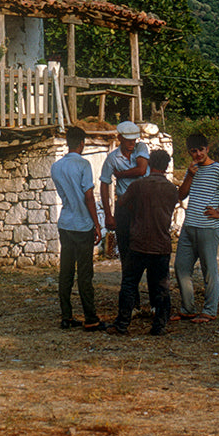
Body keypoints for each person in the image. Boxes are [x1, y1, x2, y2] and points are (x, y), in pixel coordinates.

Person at [108, 148, 179, 336]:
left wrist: (137, 209)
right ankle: (159, 326)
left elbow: (122, 203)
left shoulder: (138, 186)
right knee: (161, 287)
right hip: (161, 244)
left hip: (138, 242)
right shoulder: (171, 189)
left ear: (149, 164)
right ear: (166, 166)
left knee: (129, 284)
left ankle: (122, 324)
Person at [174, 132, 219, 323]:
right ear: (189, 152)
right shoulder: (192, 170)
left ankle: (210, 310)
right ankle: (188, 308)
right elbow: (181, 195)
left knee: (209, 270)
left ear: (207, 149)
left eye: (201, 150)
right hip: (189, 226)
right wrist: (189, 175)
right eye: (193, 151)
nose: (198, 154)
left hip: (208, 227)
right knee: (181, 267)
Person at [51, 126, 106, 331]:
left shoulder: (56, 167)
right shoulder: (83, 164)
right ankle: (90, 317)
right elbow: (89, 197)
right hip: (82, 224)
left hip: (65, 222)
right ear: (82, 143)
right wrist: (97, 224)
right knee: (84, 274)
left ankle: (66, 316)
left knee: (66, 272)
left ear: (68, 143)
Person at [99, 120, 150, 305]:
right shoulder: (112, 158)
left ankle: (154, 301)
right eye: (128, 140)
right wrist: (108, 214)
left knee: (150, 253)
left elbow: (142, 170)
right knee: (126, 255)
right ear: (119, 138)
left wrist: (120, 174)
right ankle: (132, 301)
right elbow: (104, 185)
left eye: (134, 139)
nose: (131, 143)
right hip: (125, 208)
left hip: (144, 207)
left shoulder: (141, 148)